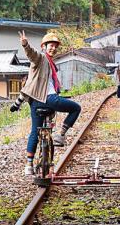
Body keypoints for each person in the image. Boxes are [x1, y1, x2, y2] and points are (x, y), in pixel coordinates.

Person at [18, 29, 82, 175]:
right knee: (76, 108)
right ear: (43, 46)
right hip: (49, 99)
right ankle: (61, 135)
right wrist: (25, 45)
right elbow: (32, 54)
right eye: (50, 45)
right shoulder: (41, 58)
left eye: (55, 46)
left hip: (35, 102)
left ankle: (29, 165)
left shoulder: (50, 63)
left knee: (35, 130)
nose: (53, 48)